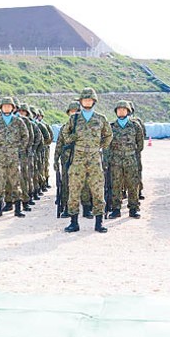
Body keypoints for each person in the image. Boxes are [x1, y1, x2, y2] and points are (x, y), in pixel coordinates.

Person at [62, 88, 113, 233]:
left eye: (90, 100)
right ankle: (74, 222)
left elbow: (108, 135)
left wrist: (99, 146)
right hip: (78, 159)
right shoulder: (74, 118)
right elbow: (65, 133)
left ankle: (99, 222)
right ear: (81, 102)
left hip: (94, 159)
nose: (87, 102)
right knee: (74, 190)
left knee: (97, 190)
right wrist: (74, 139)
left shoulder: (100, 118)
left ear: (94, 101)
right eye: (85, 100)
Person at [0, 97, 29, 218]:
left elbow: (25, 136)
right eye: (4, 106)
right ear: (1, 108)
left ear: (13, 108)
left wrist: (20, 149)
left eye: (9, 106)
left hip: (13, 157)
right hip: (0, 157)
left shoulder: (18, 122)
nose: (6, 108)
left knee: (16, 182)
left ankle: (18, 208)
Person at [106, 100, 144, 219]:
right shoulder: (111, 127)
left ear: (128, 111)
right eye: (119, 109)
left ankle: (133, 208)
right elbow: (107, 145)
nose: (121, 111)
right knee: (116, 184)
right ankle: (116, 209)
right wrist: (107, 160)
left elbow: (140, 143)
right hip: (116, 160)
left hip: (130, 159)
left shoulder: (135, 126)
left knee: (133, 184)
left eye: (124, 109)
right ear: (116, 112)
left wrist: (132, 153)